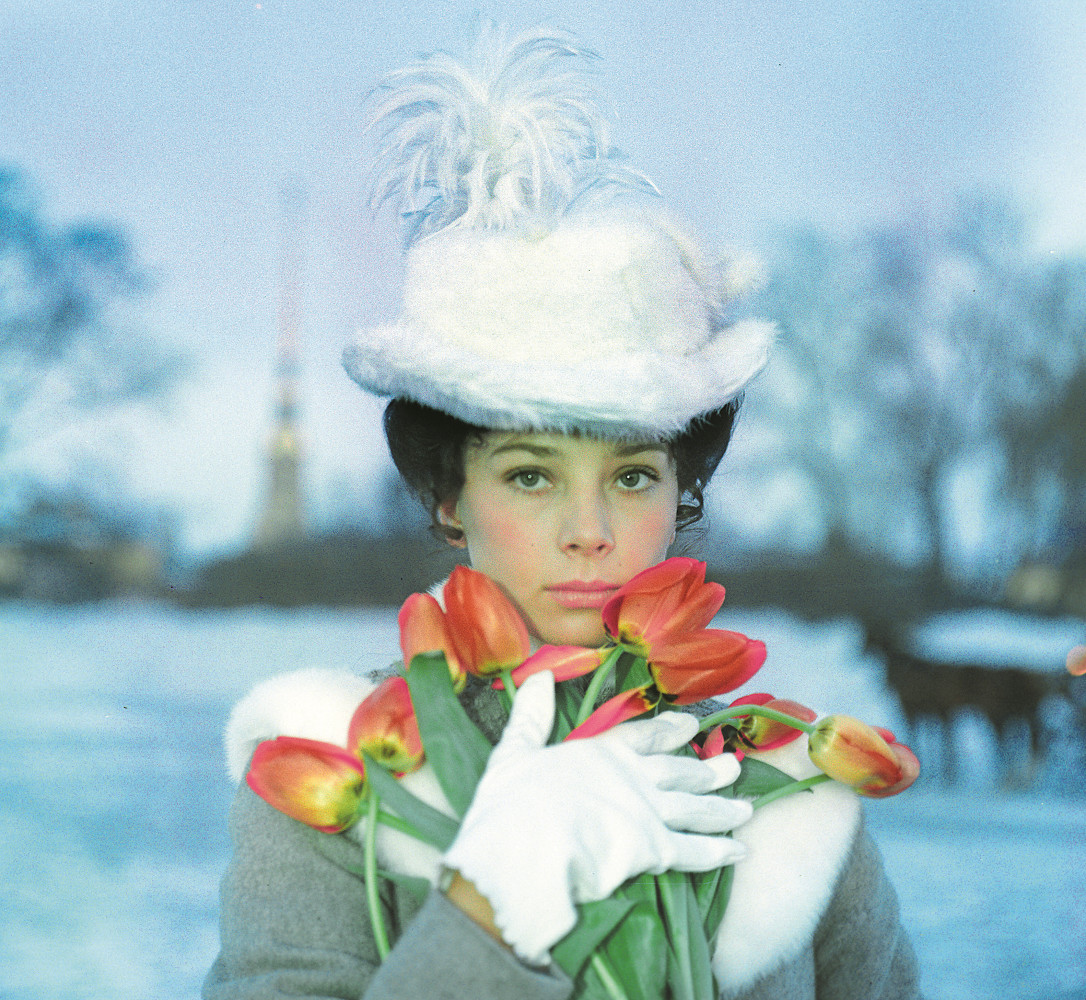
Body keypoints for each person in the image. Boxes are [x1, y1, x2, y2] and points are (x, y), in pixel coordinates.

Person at [204, 25, 922, 1000]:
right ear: (449, 495)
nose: (591, 530)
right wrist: (488, 908)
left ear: (681, 489)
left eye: (632, 477)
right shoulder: (337, 762)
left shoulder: (793, 794)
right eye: (532, 476)